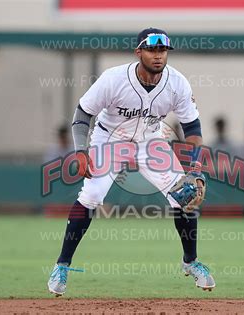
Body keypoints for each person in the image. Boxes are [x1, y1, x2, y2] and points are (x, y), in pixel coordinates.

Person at [47, 28, 215, 296]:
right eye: (152, 50)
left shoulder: (177, 83)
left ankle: (191, 262)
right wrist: (80, 151)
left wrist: (194, 168)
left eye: (162, 50)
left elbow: (192, 128)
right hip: (109, 139)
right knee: (91, 195)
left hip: (150, 141)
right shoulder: (114, 79)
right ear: (139, 52)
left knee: (184, 195)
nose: (158, 56)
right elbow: (82, 114)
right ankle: (62, 265)